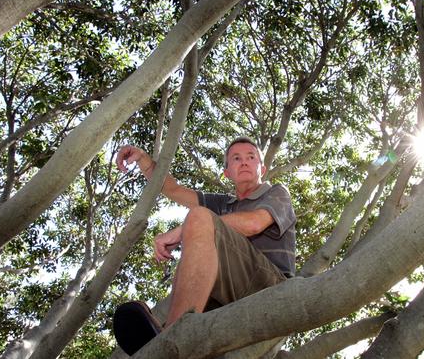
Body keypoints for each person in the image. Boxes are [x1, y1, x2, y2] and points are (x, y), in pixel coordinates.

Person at [112, 136, 296, 355]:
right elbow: (173, 189)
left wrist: (183, 230)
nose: (244, 162)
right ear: (227, 172)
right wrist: (143, 160)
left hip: (269, 288)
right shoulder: (222, 204)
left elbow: (254, 223)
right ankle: (173, 335)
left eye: (251, 157)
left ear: (262, 168)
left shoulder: (276, 192)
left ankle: (171, 338)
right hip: (227, 295)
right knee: (198, 234)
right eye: (236, 158)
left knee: (198, 218)